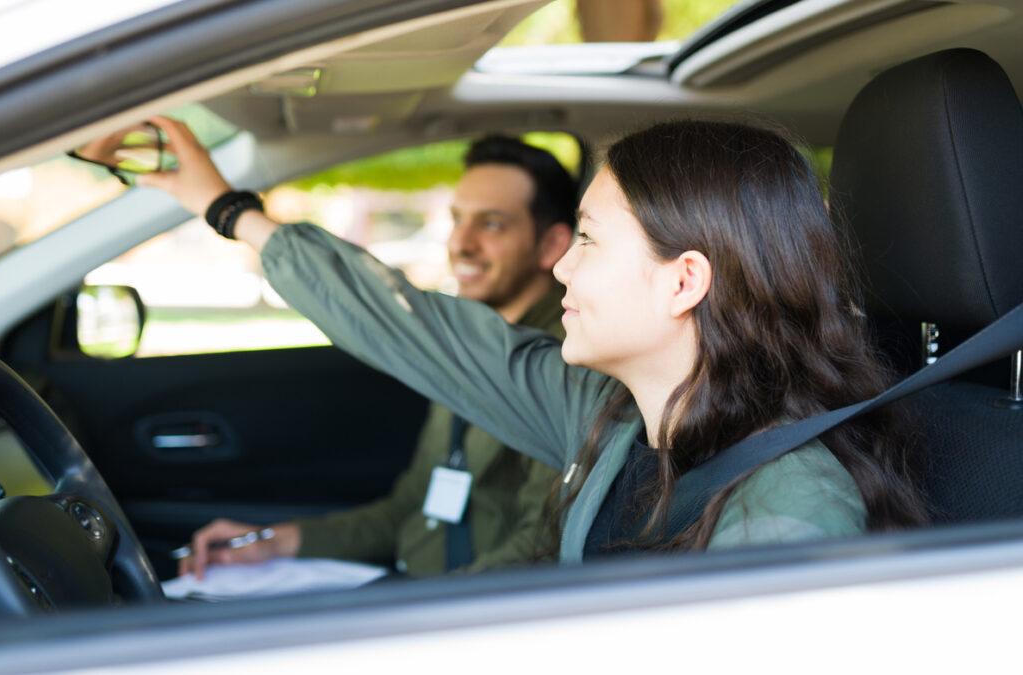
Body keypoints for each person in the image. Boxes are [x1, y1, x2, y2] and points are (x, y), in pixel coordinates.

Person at [143, 116, 926, 566]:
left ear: (682, 281)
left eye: (586, 240)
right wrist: (225, 208)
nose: (562, 269)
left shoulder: (793, 507)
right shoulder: (606, 414)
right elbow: (411, 325)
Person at [177, 135, 577, 580]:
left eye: (493, 225)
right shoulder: (473, 340)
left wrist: (416, 616)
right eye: (457, 219)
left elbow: (542, 547)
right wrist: (275, 542)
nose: (460, 244)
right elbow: (409, 508)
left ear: (551, 246)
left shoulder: (564, 362)